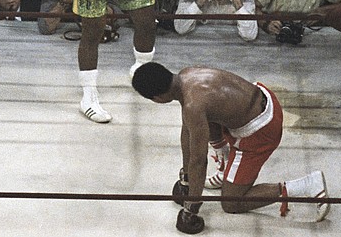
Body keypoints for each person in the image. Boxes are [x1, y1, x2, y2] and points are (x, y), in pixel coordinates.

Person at [131, 62, 329, 234]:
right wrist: (186, 180)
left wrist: (191, 208)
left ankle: (308, 185)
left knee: (231, 203)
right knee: (205, 122)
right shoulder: (186, 75)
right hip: (261, 99)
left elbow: (198, 161)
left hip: (260, 131)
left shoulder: (193, 105)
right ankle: (226, 165)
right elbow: (188, 132)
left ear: (156, 98)